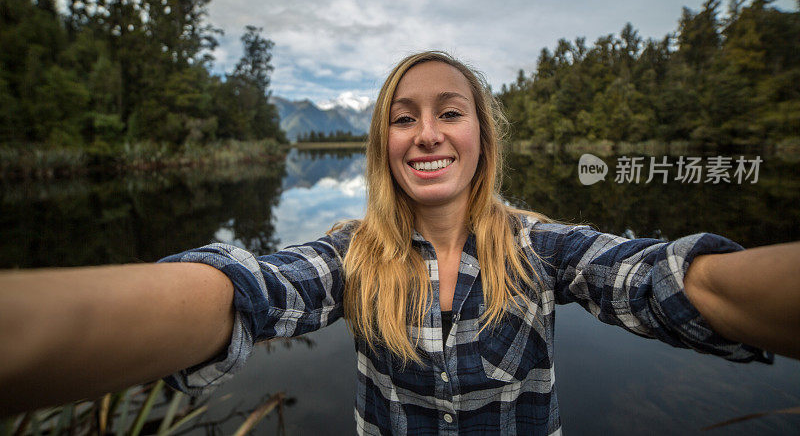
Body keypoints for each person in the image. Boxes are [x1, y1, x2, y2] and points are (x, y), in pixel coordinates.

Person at [1, 51, 799, 434]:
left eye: (450, 111)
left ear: (482, 135)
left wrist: (728, 286)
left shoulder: (541, 245)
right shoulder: (350, 256)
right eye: (403, 115)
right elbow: (240, 292)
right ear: (383, 140)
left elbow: (676, 282)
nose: (427, 133)